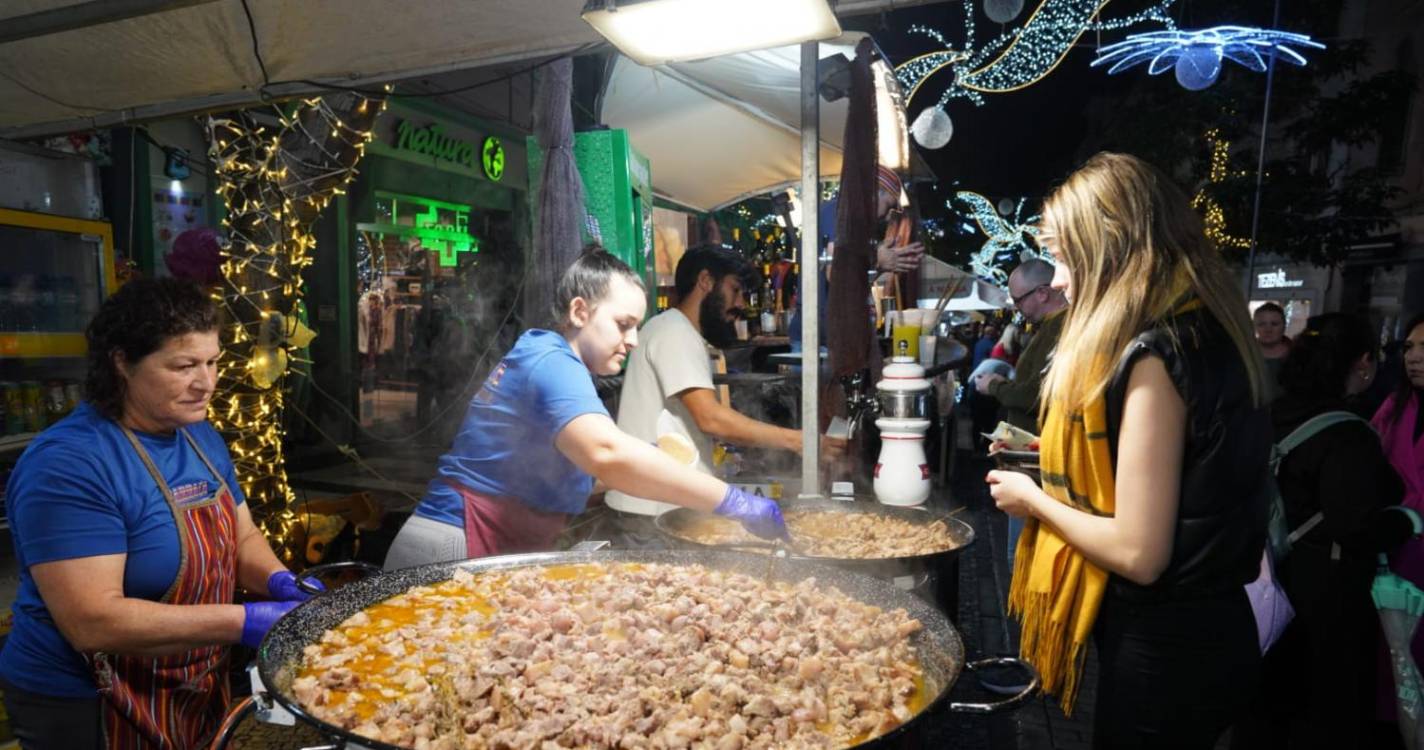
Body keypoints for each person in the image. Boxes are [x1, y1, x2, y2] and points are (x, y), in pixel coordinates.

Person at [985, 152, 1272, 747]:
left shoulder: (1155, 354)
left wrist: (1033, 499)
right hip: (1212, 630)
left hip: (1169, 647)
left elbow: (1141, 553)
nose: (1058, 279)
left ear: (1110, 247)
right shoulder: (1203, 327)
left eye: (1065, 257)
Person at [0, 278, 310, 749]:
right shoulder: (69, 463)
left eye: (212, 362)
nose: (206, 382)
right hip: (88, 700)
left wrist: (281, 581)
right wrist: (243, 622)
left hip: (188, 678)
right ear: (122, 363)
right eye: (184, 366)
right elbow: (92, 621)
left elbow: (242, 538)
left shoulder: (198, 435)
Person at [384, 248, 788, 569]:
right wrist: (733, 501)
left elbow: (592, 475)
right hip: (452, 542)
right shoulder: (550, 359)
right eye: (622, 324)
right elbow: (606, 455)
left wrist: (649, 462)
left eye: (636, 327)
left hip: (483, 543)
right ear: (580, 311)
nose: (632, 340)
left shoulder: (557, 362)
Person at [1232, 313, 1416, 750]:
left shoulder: (1272, 412)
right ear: (1363, 363)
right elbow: (1356, 525)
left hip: (1265, 583)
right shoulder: (1349, 433)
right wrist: (1407, 521)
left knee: (1265, 707)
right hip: (1326, 597)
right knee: (1321, 709)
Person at [608, 246, 846, 525]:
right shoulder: (674, 332)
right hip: (650, 512)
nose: (742, 304)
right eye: (735, 290)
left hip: (661, 504)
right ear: (706, 282)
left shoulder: (677, 331)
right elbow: (711, 418)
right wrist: (800, 442)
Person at [1372, 312, 1424, 718]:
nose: (1415, 357)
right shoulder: (1396, 403)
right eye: (1409, 347)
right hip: (1393, 553)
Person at [974, 259, 1068, 433]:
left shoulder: (1058, 327)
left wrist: (994, 386)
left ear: (1042, 293)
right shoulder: (1052, 326)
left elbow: (1038, 395)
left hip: (1041, 447)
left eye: (1019, 300)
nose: (1016, 307)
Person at [1255, 302, 1292, 397]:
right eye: (1262, 324)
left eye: (1274, 324)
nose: (1268, 329)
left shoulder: (1298, 355)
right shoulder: (1244, 355)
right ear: (1255, 326)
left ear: (1284, 326)